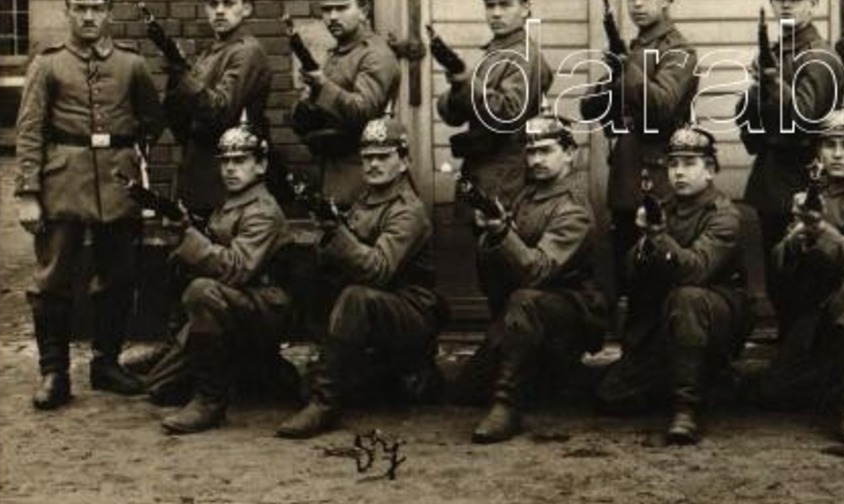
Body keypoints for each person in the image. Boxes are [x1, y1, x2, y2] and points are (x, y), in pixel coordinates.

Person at [16, 0, 165, 409]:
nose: (87, 16)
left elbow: (151, 119)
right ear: (67, 10)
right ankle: (54, 374)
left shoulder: (131, 65)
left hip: (117, 187)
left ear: (109, 12)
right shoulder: (48, 65)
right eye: (79, 8)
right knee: (53, 279)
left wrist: (132, 158)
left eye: (96, 8)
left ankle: (105, 363)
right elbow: (29, 130)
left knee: (117, 276)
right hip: (63, 183)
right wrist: (28, 193)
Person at [276, 117, 447, 439]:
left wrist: (339, 235)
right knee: (303, 273)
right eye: (368, 157)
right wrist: (327, 235)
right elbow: (342, 258)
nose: (374, 164)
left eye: (384, 156)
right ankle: (374, 373)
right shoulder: (365, 200)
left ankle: (325, 402)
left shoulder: (407, 210)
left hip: (409, 312)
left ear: (404, 160)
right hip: (376, 310)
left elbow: (378, 270)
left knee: (355, 296)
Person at [596, 125, 747, 445]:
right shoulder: (663, 208)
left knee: (687, 297)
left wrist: (658, 238)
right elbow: (632, 275)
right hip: (669, 320)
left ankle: (686, 408)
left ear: (710, 170)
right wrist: (644, 246)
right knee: (613, 394)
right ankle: (701, 378)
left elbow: (696, 270)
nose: (678, 172)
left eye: (689, 164)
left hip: (714, 314)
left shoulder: (724, 215)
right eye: (674, 164)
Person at [759, 108, 844, 446]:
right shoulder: (811, 195)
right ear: (818, 151)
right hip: (824, 311)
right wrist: (796, 238)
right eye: (829, 144)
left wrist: (820, 229)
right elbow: (778, 264)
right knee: (772, 394)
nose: (837, 153)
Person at [467, 116, 606, 444]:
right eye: (531, 152)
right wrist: (490, 232)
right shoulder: (527, 195)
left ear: (570, 153)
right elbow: (496, 266)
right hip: (525, 314)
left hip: (569, 311)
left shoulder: (574, 208)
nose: (536, 160)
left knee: (525, 300)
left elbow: (537, 272)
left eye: (546, 151)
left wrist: (503, 233)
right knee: (467, 389)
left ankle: (508, 404)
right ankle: (553, 377)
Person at [151, 119, 295, 434]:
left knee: (201, 291)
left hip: (267, 306)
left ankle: (210, 401)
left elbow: (237, 267)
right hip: (240, 302)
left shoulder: (262, 210)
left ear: (261, 165)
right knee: (160, 388)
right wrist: (183, 231)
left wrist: (189, 239)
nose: (230, 168)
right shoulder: (232, 203)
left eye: (240, 160)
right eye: (226, 161)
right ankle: (265, 372)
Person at [580, 0, 698, 303]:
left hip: (660, 175)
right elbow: (589, 107)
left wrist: (625, 67)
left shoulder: (679, 50)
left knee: (657, 274)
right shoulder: (632, 50)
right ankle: (635, 351)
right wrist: (613, 77)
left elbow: (661, 105)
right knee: (627, 270)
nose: (637, 3)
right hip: (625, 173)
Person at [739, 0, 844, 316]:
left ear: (814, 3)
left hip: (804, 176)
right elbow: (752, 118)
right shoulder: (777, 52)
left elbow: (801, 120)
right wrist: (754, 95)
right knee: (778, 275)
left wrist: (771, 84)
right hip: (772, 176)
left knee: (804, 279)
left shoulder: (820, 58)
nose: (786, 4)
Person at [160, 0, 272, 215]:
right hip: (200, 173)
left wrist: (183, 77)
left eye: (228, 2)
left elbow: (219, 111)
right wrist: (175, 77)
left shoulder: (247, 52)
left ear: (246, 7)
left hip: (230, 176)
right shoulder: (210, 52)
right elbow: (180, 123)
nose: (219, 10)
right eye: (212, 4)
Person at [435, 0, 553, 204]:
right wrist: (458, 84)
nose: (496, 13)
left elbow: (507, 114)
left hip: (506, 175)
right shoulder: (495, 53)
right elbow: (453, 116)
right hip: (482, 169)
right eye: (490, 6)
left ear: (525, 8)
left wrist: (468, 83)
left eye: (505, 5)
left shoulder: (525, 56)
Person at [290, 0, 401, 203]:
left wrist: (322, 85)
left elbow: (363, 112)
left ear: (363, 10)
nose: (332, 16)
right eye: (327, 9)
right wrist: (307, 103)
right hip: (332, 169)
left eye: (342, 8)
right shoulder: (336, 53)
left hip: (364, 173)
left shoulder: (376, 54)